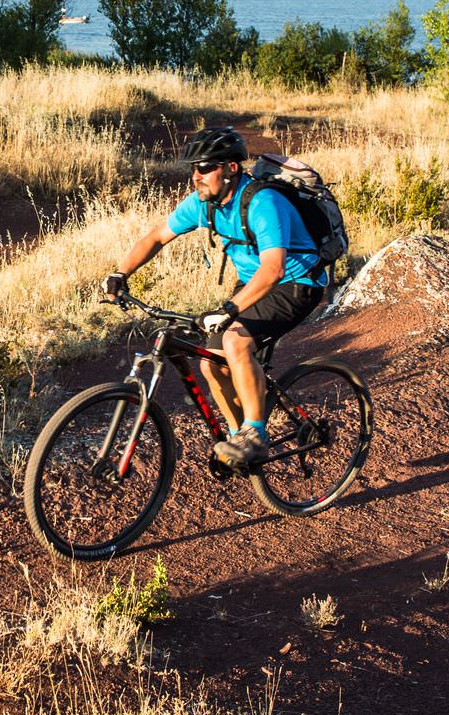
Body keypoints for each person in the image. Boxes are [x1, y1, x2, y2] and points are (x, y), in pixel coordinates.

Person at [102, 126, 328, 469]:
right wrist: (121, 273)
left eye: (205, 167)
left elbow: (274, 270)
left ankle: (255, 436)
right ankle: (239, 440)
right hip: (254, 283)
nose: (196, 176)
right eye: (194, 168)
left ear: (231, 168)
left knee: (236, 342)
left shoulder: (263, 201)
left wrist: (230, 309)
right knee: (210, 362)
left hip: (297, 282)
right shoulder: (203, 203)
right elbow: (157, 237)